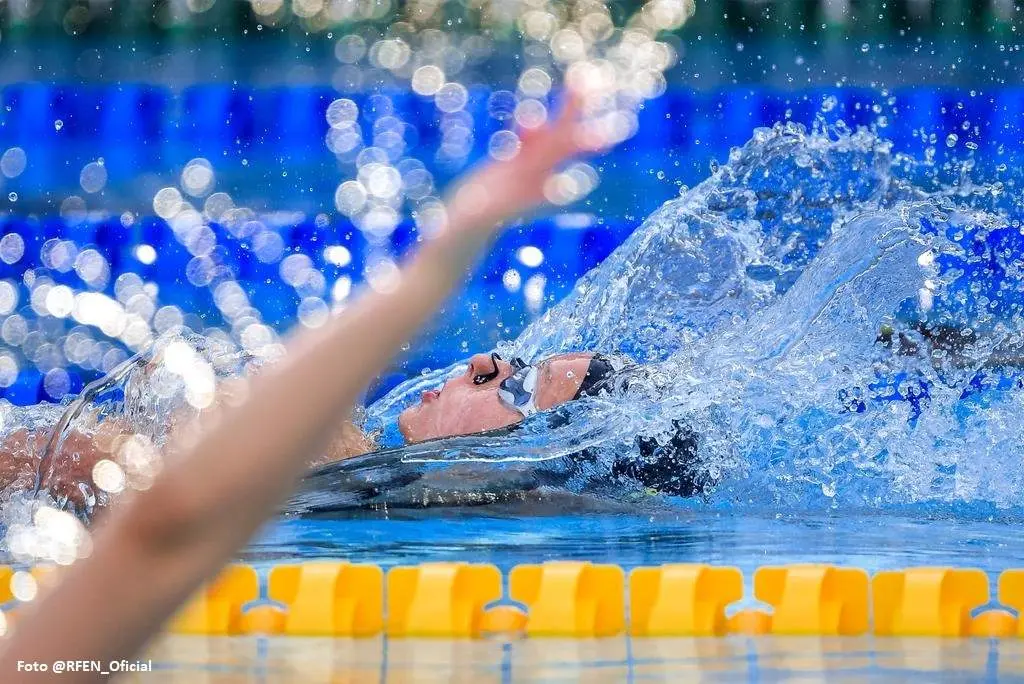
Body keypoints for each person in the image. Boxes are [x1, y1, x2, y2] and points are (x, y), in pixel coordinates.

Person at [0, 90, 607, 680]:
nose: (483, 361)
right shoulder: (355, 474)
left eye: (522, 386)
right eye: (512, 360)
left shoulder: (358, 486)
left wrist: (439, 265)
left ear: (537, 457)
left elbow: (159, 520)